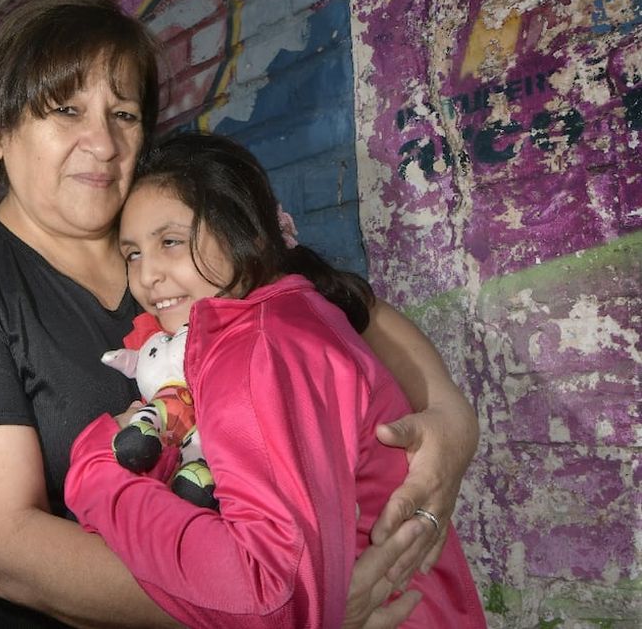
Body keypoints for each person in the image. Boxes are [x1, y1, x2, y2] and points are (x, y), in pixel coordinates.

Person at [0, 0, 479, 628]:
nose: (103, 143)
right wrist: (290, 606)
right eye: (65, 110)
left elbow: (334, 301)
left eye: (125, 114)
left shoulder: (172, 236)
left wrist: (450, 414)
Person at [64, 132, 487, 628]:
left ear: (249, 234)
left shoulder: (259, 350)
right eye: (132, 253)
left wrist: (97, 474)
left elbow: (269, 595)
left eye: (171, 241)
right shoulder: (283, 319)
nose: (148, 274)